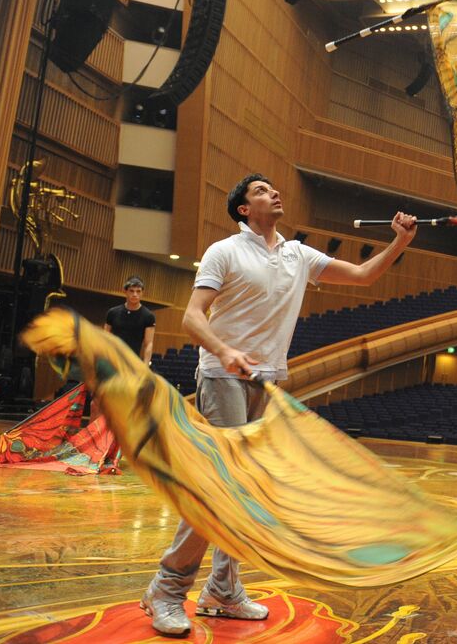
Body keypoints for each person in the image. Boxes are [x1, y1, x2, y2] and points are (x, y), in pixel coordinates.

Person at [140, 174, 420, 637]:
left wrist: (400, 241)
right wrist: (225, 351)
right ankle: (166, 589)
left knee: (246, 494)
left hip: (268, 384)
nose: (273, 193)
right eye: (261, 191)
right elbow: (192, 317)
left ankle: (222, 590)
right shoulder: (224, 251)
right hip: (223, 379)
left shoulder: (298, 254)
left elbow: (364, 276)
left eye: (273, 189)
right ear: (244, 210)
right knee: (220, 491)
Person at [98, 276, 157, 474]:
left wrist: (145, 365)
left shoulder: (148, 315)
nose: (135, 295)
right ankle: (95, 444)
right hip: (112, 363)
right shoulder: (113, 313)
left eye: (138, 291)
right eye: (132, 291)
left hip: (131, 366)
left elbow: (148, 343)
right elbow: (105, 337)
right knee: (98, 402)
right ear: (126, 291)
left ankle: (122, 448)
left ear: (142, 293)